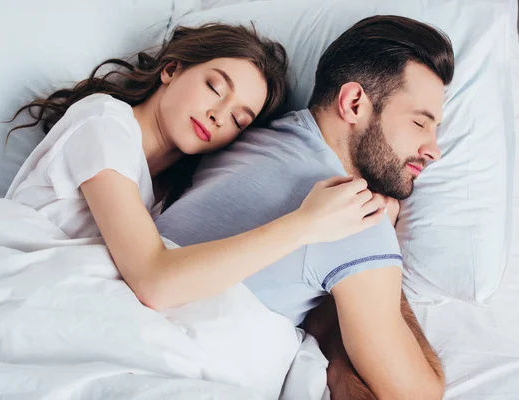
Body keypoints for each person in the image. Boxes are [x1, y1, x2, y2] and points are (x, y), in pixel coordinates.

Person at [154, 15, 454, 400]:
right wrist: (386, 254)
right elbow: (417, 392)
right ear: (354, 102)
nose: (434, 150)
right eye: (419, 123)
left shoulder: (244, 136)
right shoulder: (356, 220)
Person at [5, 23, 387, 311]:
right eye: (215, 88)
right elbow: (154, 280)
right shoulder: (103, 122)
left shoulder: (163, 191)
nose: (219, 116)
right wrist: (304, 226)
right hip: (19, 286)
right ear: (171, 69)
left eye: (239, 119)